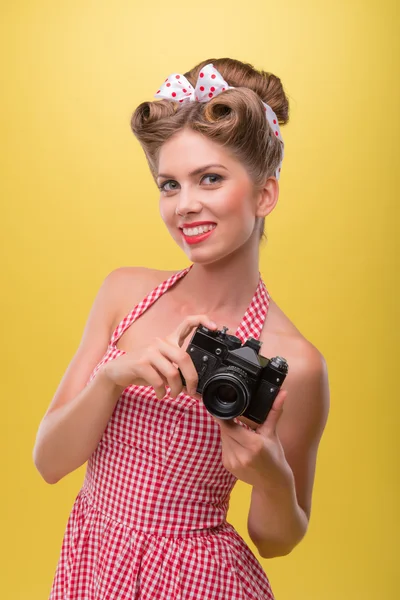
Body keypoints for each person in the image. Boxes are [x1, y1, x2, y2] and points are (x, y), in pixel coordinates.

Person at [33, 57, 330, 600]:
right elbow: (49, 463)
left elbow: (277, 541)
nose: (185, 205)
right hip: (92, 566)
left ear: (264, 194)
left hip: (200, 581)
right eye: (169, 184)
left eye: (210, 178)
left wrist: (270, 476)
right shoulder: (123, 293)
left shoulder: (294, 362)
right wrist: (112, 379)